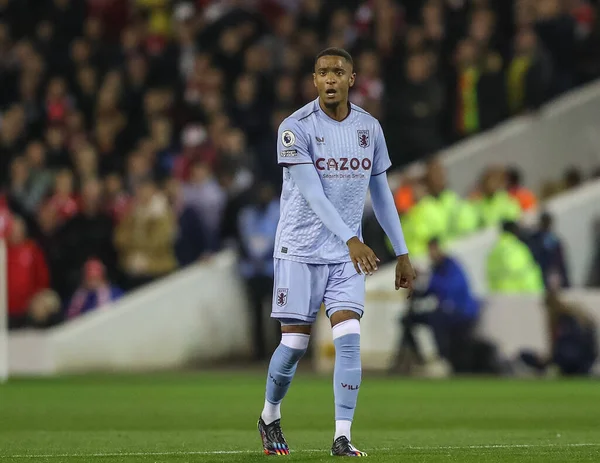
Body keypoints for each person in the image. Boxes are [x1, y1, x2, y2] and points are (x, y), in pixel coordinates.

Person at [257, 48, 416, 457]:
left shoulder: (370, 128)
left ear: (352, 78)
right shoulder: (295, 128)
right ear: (314, 80)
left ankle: (341, 436)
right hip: (300, 249)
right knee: (293, 347)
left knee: (348, 339)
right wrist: (352, 239)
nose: (330, 79)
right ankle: (270, 414)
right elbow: (312, 194)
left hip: (345, 256)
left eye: (338, 72)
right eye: (323, 72)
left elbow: (380, 192)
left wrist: (402, 251)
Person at [400, 239, 480, 373]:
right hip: (448, 311)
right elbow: (430, 291)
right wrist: (414, 289)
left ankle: (442, 360)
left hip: (461, 312)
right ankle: (420, 359)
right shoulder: (437, 268)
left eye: (433, 250)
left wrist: (425, 278)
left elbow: (448, 288)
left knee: (437, 319)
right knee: (408, 319)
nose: (431, 254)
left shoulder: (451, 266)